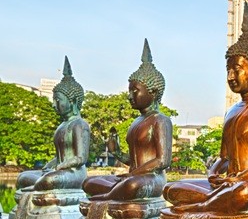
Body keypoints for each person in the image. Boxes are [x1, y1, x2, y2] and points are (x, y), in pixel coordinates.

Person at [163, 5, 248, 214]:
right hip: (228, 183)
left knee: (245, 193)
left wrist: (240, 177)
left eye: (237, 70)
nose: (231, 77)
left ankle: (202, 206)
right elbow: (224, 157)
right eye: (228, 70)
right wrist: (213, 173)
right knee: (171, 188)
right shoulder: (232, 111)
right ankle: (215, 201)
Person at [83, 40, 171, 201]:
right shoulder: (136, 122)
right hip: (133, 176)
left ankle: (109, 197)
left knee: (131, 186)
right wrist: (116, 151)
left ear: (153, 92)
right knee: (89, 182)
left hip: (151, 179)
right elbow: (134, 159)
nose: (130, 96)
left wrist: (132, 174)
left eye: (135, 91)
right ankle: (115, 193)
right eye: (129, 91)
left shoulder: (160, 120)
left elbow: (162, 160)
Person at [18, 57, 89, 192]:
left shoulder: (80, 125)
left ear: (72, 101)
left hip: (74, 173)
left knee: (49, 180)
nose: (54, 105)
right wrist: (50, 165)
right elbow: (60, 155)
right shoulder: (62, 125)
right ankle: (38, 186)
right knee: (23, 177)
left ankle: (37, 187)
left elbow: (81, 157)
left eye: (58, 100)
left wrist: (61, 166)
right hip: (60, 170)